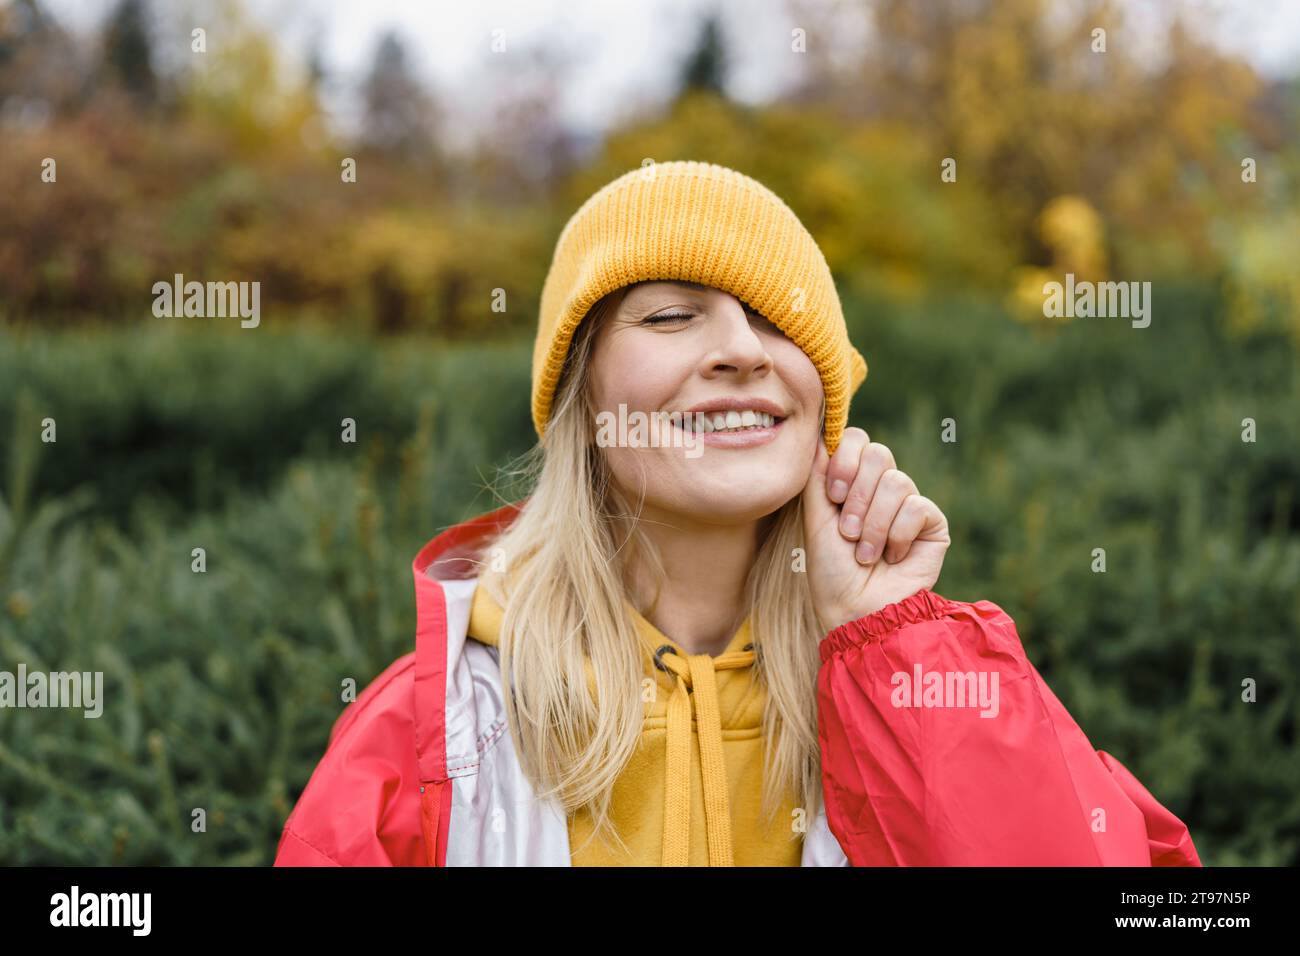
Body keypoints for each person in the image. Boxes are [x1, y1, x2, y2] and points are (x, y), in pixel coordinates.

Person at [274, 160, 1201, 867]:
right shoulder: (430, 732)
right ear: (581, 400)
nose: (740, 351)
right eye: (673, 316)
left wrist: (891, 640)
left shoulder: (922, 682)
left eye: (777, 319)